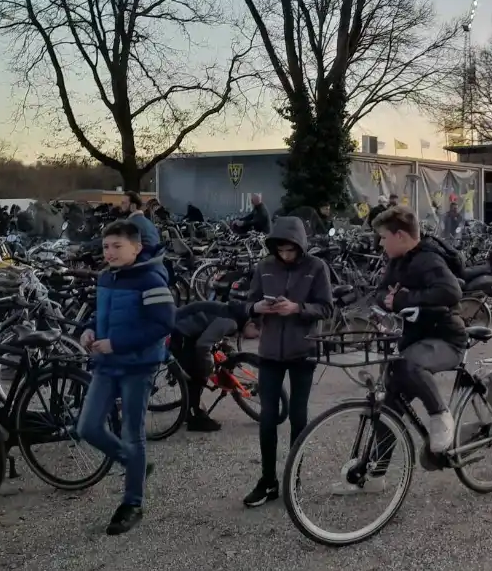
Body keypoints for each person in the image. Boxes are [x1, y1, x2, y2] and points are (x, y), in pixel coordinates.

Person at [76, 220, 175, 535]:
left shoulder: (150, 279)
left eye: (117, 246)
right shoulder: (107, 278)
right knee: (88, 427)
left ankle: (132, 502)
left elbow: (162, 325)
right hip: (106, 364)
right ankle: (136, 465)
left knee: (134, 434)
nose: (110, 252)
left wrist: (118, 343)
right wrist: (87, 330)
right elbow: (101, 314)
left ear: (137, 247)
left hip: (138, 367)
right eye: (106, 246)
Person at [242, 217, 333, 508]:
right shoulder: (264, 267)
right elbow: (250, 301)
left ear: (300, 246)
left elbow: (327, 308)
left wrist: (297, 308)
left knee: (298, 415)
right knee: (268, 416)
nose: (285, 254)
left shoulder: (316, 268)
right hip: (269, 352)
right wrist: (256, 309)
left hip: (303, 350)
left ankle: (294, 477)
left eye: (291, 249)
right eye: (280, 249)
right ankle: (267, 480)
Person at [370, 206, 467, 456]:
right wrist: (388, 301)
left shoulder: (428, 259)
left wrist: (403, 300)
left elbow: (452, 291)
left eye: (383, 237)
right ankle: (374, 474)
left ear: (400, 236)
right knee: (388, 408)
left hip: (445, 338)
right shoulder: (396, 261)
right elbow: (381, 292)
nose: (380, 243)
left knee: (408, 364)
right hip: (413, 338)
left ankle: (441, 416)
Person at [170, 300, 256, 432]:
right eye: (257, 332)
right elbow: (203, 345)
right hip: (180, 331)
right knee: (198, 374)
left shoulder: (234, 313)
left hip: (182, 322)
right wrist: (209, 370)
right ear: (250, 323)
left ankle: (190, 409)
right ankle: (194, 418)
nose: (257, 336)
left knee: (198, 367)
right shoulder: (231, 322)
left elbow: (213, 325)